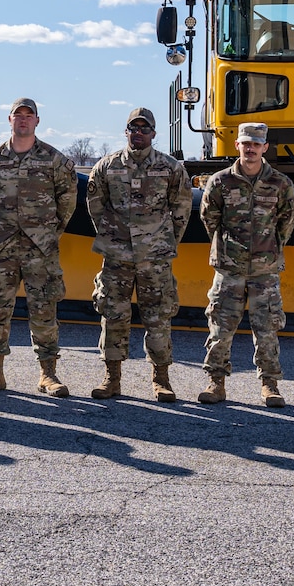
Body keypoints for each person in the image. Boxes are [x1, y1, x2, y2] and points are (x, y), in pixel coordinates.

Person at [0, 97, 78, 396]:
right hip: (3, 250)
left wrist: (49, 231)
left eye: (29, 116)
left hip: (40, 250)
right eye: (19, 115)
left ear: (37, 121)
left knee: (44, 310)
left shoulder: (54, 160)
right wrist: (0, 229)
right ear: (10, 120)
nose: (24, 120)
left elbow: (67, 200)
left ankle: (48, 375)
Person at [85, 106, 192, 401]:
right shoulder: (107, 167)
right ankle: (112, 378)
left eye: (145, 129)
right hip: (117, 256)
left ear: (154, 134)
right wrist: (113, 235)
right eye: (134, 128)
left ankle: (161, 379)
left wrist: (163, 241)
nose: (139, 133)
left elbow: (181, 210)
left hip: (154, 257)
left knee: (158, 316)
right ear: (126, 131)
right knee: (112, 314)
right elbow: (96, 205)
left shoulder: (171, 168)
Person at [198, 121, 294, 407]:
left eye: (256, 144)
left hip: (264, 271)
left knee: (266, 328)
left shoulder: (280, 183)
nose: (251, 148)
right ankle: (215, 383)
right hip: (229, 269)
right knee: (220, 328)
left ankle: (270, 385)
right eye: (246, 143)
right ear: (237, 145)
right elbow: (209, 219)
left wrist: (267, 249)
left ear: (265, 147)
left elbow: (286, 223)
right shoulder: (220, 181)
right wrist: (228, 250)